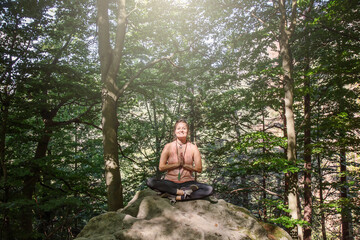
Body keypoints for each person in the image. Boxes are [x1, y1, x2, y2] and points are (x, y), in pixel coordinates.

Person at [146, 119, 214, 204]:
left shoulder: (193, 148)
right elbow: (161, 167)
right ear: (175, 131)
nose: (181, 130)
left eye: (184, 128)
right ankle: (181, 193)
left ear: (188, 131)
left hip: (188, 183)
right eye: (178, 128)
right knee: (150, 181)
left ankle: (177, 197)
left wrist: (185, 165)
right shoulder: (168, 146)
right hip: (170, 182)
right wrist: (177, 164)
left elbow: (199, 169)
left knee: (209, 189)